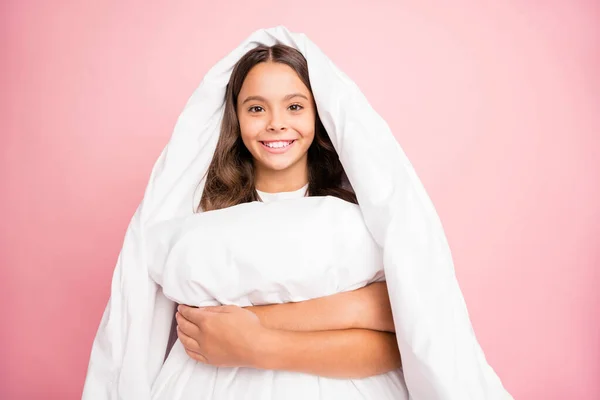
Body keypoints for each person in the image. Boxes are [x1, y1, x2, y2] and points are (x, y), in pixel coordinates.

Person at [82, 26, 513, 400]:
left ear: (318, 114)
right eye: (256, 108)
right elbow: (196, 329)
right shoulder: (205, 214)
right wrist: (349, 308)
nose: (275, 124)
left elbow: (396, 329)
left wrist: (255, 339)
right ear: (235, 117)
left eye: (293, 106)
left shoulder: (356, 214)